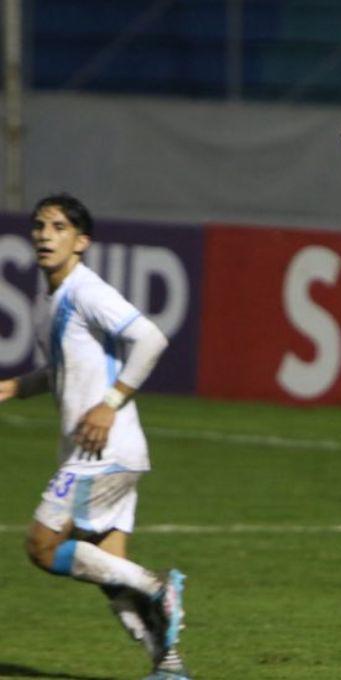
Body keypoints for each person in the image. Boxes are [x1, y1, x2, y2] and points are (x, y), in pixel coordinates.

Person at [0, 194, 190, 680]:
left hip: (101, 450)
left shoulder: (86, 290)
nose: (45, 234)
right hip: (108, 452)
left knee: (43, 546)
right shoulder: (51, 302)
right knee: (109, 573)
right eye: (40, 225)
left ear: (81, 242)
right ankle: (168, 665)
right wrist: (16, 386)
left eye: (59, 227)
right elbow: (60, 370)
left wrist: (111, 401)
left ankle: (158, 585)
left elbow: (151, 337)